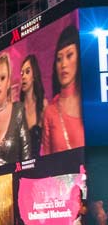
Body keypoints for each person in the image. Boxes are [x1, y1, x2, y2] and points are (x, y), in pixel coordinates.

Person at [41, 25, 84, 155]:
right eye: (59, 59)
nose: (63, 64)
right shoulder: (50, 112)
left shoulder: (92, 101)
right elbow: (47, 162)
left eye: (69, 55)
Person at [19, 54, 47, 158]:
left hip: (41, 167)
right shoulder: (18, 110)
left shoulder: (43, 105)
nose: (23, 76)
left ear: (34, 75)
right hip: (19, 169)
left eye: (27, 72)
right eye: (22, 73)